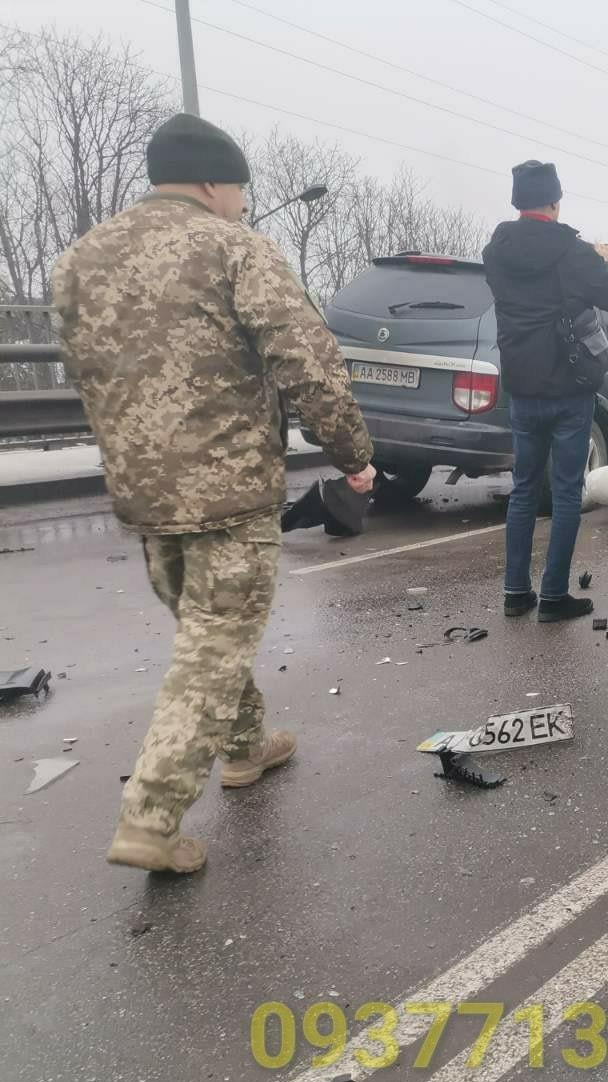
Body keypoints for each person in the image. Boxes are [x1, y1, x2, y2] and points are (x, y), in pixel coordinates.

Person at [51, 113, 375, 874]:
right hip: (228, 490)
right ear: (211, 182)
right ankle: (151, 817)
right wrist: (353, 454)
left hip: (144, 492)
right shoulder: (234, 247)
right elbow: (306, 361)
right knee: (214, 645)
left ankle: (247, 745)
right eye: (240, 191)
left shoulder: (80, 259)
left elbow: (84, 369)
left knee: (209, 636)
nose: (243, 203)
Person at [483, 160, 608, 621]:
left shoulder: (497, 250)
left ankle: (515, 593)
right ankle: (553, 596)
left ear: (518, 201)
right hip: (569, 389)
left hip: (522, 389)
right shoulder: (573, 253)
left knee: (524, 489)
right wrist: (601, 259)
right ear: (554, 201)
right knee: (567, 492)